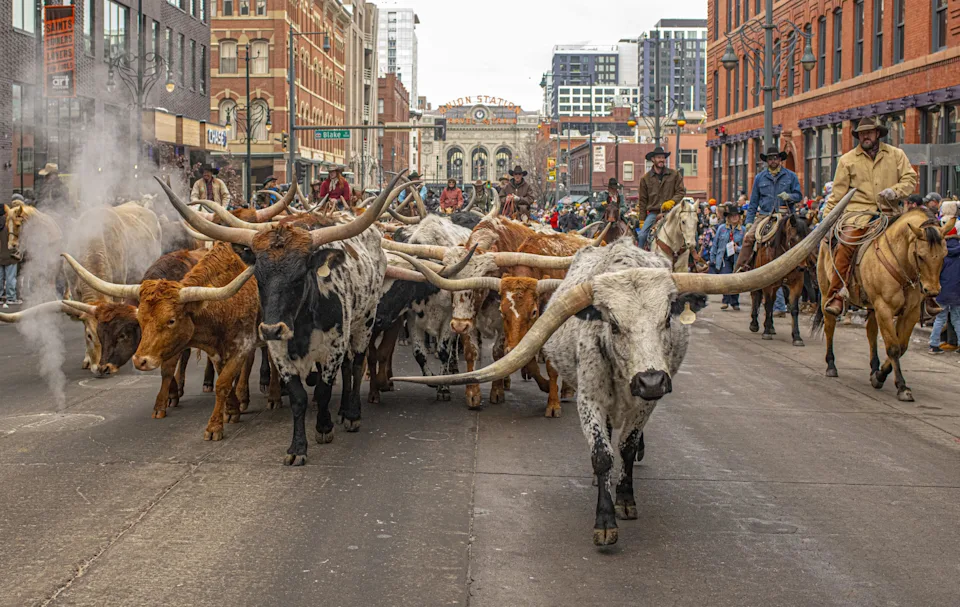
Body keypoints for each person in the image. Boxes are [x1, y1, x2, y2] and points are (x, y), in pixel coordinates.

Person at [821, 116, 919, 316]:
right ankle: (837, 294)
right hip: (859, 215)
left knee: (921, 242)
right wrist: (826, 221)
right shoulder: (847, 160)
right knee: (845, 244)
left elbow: (910, 178)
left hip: (891, 213)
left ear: (877, 133)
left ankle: (927, 294)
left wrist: (895, 191)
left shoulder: (896, 155)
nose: (865, 136)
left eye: (869, 132)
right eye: (861, 133)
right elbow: (837, 195)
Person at [734, 146, 802, 271]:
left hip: (786, 215)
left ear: (780, 159)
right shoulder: (759, 178)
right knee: (748, 238)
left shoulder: (791, 176)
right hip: (765, 216)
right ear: (767, 161)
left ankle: (807, 270)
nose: (773, 161)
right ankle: (739, 272)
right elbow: (753, 202)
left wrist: (789, 196)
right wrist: (749, 222)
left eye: (775, 158)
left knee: (800, 237)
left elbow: (799, 196)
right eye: (770, 159)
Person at [637, 146, 686, 248]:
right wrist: (642, 220)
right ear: (653, 159)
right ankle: (639, 260)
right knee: (642, 236)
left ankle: (693, 261)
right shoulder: (645, 179)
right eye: (659, 157)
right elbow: (642, 201)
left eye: (663, 157)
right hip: (653, 213)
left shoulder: (674, 174)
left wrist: (672, 202)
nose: (661, 160)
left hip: (672, 212)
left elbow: (681, 191)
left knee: (690, 232)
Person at [929, 201, 959, 354]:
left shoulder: (940, 252)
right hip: (956, 290)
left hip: (942, 288)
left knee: (940, 318)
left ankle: (933, 344)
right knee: (956, 318)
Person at [710, 204, 745, 310]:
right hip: (724, 258)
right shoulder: (721, 229)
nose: (735, 217)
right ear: (728, 217)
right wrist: (712, 259)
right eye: (732, 215)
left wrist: (738, 249)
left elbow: (746, 247)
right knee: (726, 278)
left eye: (736, 215)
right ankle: (725, 300)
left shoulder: (743, 230)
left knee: (736, 280)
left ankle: (735, 302)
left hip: (737, 258)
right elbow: (715, 244)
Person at [0, 204, 21, 307]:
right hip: (10, 256)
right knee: (10, 278)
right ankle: (11, 298)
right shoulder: (9, 223)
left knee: (0, 277)